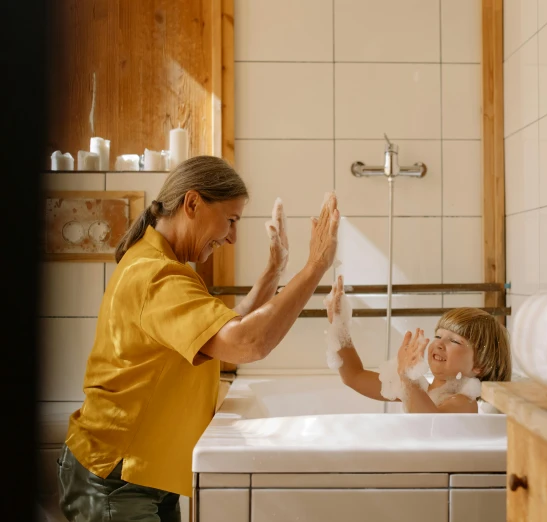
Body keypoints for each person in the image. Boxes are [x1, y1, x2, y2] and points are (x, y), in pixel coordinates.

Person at [57, 156, 340, 521]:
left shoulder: (161, 265)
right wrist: (316, 265)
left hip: (143, 475)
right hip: (115, 476)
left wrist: (274, 272)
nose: (232, 237)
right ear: (192, 203)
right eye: (231, 220)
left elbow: (220, 336)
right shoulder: (156, 275)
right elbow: (244, 343)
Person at [325, 275, 511, 413]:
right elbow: (354, 376)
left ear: (479, 365)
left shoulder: (464, 402)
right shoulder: (424, 390)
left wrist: (408, 379)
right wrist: (339, 325)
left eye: (454, 340)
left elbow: (430, 426)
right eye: (438, 336)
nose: (440, 344)